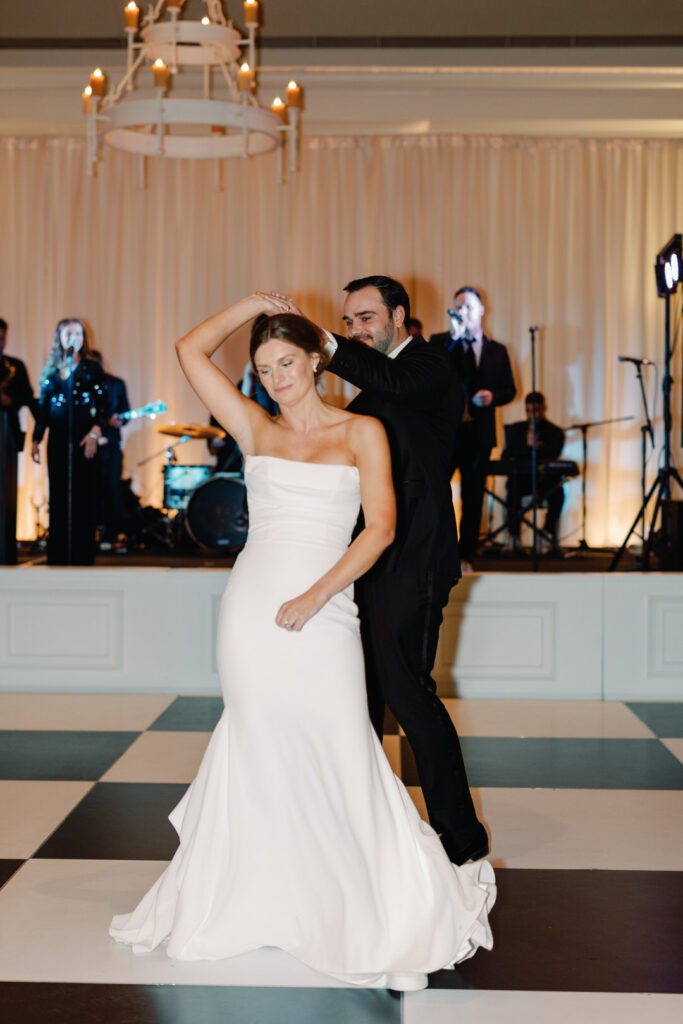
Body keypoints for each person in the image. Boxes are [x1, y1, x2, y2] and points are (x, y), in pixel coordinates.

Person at [109, 293, 495, 989]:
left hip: (326, 609)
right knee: (257, 746)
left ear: (318, 358)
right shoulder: (255, 428)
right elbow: (188, 352)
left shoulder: (361, 432)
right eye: (263, 368)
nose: (276, 378)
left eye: (287, 361)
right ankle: (259, 901)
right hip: (251, 611)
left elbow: (379, 529)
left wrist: (316, 596)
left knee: (342, 746)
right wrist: (250, 306)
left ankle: (368, 910)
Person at [294, 275, 489, 867]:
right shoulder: (375, 387)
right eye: (348, 321)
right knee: (366, 696)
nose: (356, 329)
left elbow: (389, 382)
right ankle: (369, 822)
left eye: (365, 318)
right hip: (373, 560)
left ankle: (461, 838)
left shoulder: (426, 367)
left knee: (409, 694)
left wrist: (320, 342)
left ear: (399, 316)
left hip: (417, 559)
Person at [430, 286, 516, 571]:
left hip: (479, 435)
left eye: (468, 306)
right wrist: (454, 338)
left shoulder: (498, 351)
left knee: (473, 497)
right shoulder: (442, 342)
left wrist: (494, 396)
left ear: (481, 310)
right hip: (446, 434)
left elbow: (510, 390)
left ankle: (465, 556)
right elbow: (432, 375)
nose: (463, 311)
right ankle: (438, 552)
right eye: (458, 306)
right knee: (436, 493)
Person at [31, 319, 107, 565]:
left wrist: (95, 432)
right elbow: (43, 410)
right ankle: (59, 555)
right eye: (67, 333)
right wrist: (36, 439)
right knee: (59, 495)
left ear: (83, 337)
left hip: (84, 440)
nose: (72, 337)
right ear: (59, 338)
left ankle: (82, 554)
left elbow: (104, 406)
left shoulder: (91, 369)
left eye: (77, 332)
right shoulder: (52, 371)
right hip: (58, 440)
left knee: (83, 495)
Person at [503, 391, 566, 551]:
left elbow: (554, 453)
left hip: (545, 481)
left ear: (544, 409)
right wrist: (526, 446)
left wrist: (537, 447)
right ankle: (514, 537)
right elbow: (506, 455)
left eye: (536, 411)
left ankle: (546, 534)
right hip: (522, 480)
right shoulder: (515, 431)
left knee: (558, 492)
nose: (532, 415)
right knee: (512, 489)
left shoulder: (555, 432)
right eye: (529, 411)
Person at [0, 318, 37, 564]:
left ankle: (5, 552)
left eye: (2, 338)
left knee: (7, 495)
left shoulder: (14, 366)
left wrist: (10, 401)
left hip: (7, 436)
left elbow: (28, 398)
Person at [90, 350, 131, 547]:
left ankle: (112, 534)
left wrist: (118, 421)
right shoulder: (82, 385)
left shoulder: (116, 384)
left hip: (111, 445)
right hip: (87, 445)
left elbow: (125, 414)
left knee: (112, 489)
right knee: (90, 490)